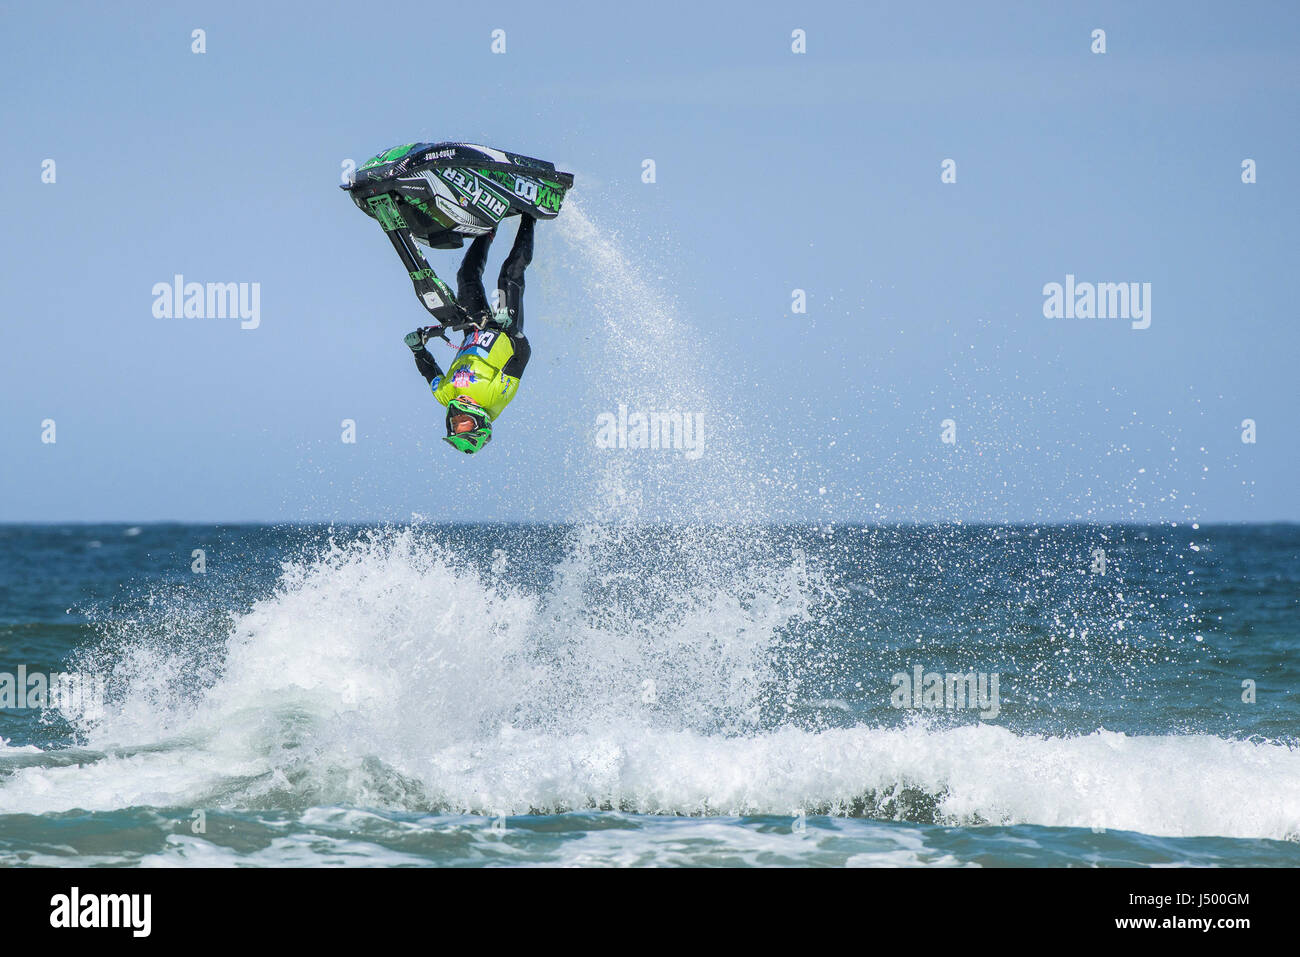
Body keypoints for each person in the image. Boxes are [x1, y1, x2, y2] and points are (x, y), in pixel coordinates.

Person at [404, 215, 535, 454]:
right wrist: (512, 330)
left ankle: (488, 224)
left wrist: (418, 350)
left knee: (466, 277)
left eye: (454, 425)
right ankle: (530, 215)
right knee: (510, 274)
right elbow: (523, 355)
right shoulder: (496, 397)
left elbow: (430, 372)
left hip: (473, 327)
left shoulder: (446, 396)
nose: (456, 419)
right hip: (503, 329)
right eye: (462, 424)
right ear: (480, 424)